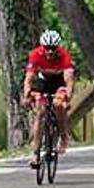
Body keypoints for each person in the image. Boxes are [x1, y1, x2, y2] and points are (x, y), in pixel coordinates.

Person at [22, 30, 75, 166]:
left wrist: (68, 97)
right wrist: (27, 94)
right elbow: (29, 78)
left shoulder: (64, 55)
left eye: (53, 49)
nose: (50, 52)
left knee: (58, 104)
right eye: (47, 48)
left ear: (58, 47)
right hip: (43, 82)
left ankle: (63, 136)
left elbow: (69, 79)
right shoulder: (35, 55)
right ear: (42, 47)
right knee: (40, 112)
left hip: (59, 82)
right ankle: (36, 153)